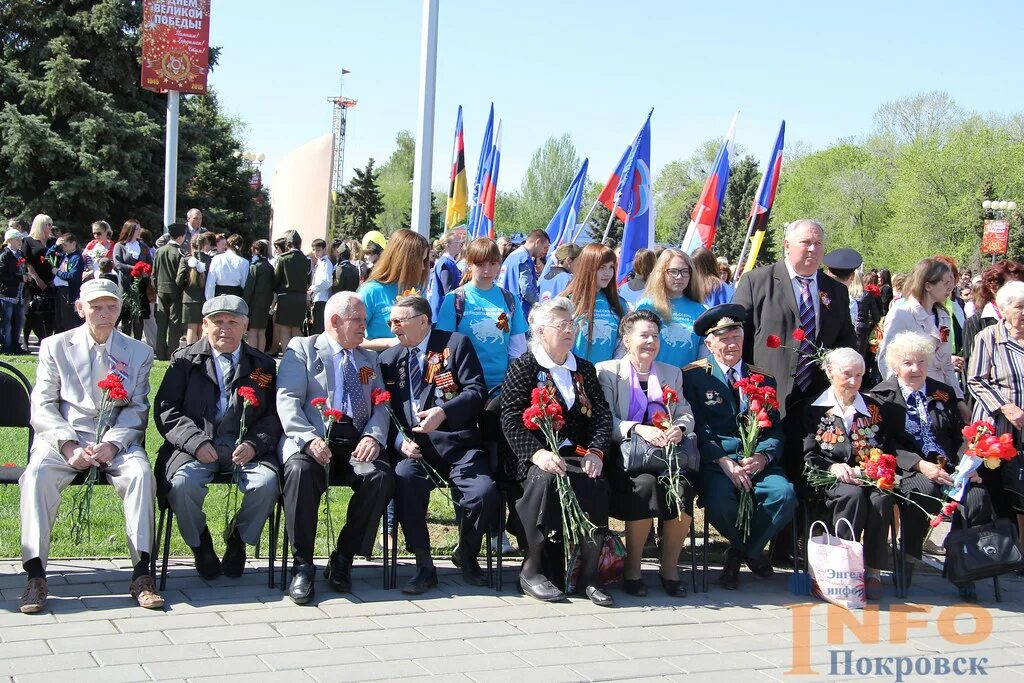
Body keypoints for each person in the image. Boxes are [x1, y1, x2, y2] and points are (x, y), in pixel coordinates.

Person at [18, 278, 162, 613]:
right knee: (36, 475)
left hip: (115, 437)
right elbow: (42, 405)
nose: (104, 313)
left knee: (141, 475)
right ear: (80, 308)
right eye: (96, 306)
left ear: (120, 308)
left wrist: (112, 444)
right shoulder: (55, 346)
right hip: (65, 436)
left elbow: (138, 407)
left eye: (111, 306)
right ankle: (35, 576)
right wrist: (67, 445)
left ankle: (142, 573)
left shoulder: (139, 351)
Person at [276, 291, 395, 605]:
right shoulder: (302, 350)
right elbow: (287, 401)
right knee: (300, 472)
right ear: (334, 321)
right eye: (357, 321)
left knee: (380, 477)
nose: (364, 329)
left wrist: (373, 437)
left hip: (355, 442)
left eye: (365, 321)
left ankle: (343, 557)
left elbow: (381, 404)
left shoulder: (368, 358)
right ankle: (302, 566)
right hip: (314, 439)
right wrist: (308, 439)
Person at [154, 295, 281, 580]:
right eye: (218, 321)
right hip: (195, 448)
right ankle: (201, 544)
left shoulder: (263, 365)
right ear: (204, 324)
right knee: (182, 484)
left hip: (246, 449)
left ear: (246, 325)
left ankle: (238, 539)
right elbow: (166, 409)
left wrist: (254, 443)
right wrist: (196, 443)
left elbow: (275, 416)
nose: (225, 328)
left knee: (267, 483)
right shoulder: (184, 360)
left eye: (233, 322)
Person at [378, 295, 499, 594]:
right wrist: (399, 440)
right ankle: (424, 565)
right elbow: (383, 410)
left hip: (458, 444)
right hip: (416, 449)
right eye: (390, 322)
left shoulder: (455, 344)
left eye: (398, 322)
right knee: (405, 480)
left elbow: (476, 392)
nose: (393, 328)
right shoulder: (390, 359)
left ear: (422, 321)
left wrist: (444, 412)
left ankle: (467, 553)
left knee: (484, 493)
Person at [500, 297, 614, 606]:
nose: (569, 330)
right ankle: (532, 568)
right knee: (544, 478)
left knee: (593, 481)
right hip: (531, 455)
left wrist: (596, 452)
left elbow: (602, 416)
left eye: (572, 324)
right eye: (561, 325)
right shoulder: (524, 366)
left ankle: (589, 574)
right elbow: (509, 418)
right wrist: (537, 453)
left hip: (575, 452)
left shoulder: (584, 369)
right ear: (539, 331)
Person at [869, 331, 993, 602]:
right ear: (895, 366)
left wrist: (968, 465)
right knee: (924, 490)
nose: (916, 369)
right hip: (911, 470)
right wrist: (919, 464)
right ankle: (909, 558)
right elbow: (883, 443)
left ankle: (962, 566)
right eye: (908, 363)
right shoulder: (881, 397)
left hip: (950, 468)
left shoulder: (943, 392)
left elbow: (963, 435)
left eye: (921, 362)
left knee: (976, 497)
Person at [732, 218, 858, 484]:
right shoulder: (757, 281)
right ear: (787, 245)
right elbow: (738, 336)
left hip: (818, 397)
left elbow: (846, 342)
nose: (812, 249)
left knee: (809, 472)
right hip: (768, 395)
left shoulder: (835, 290)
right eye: (806, 243)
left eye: (818, 244)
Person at [683, 304, 796, 590]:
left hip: (755, 461)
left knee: (784, 495)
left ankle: (742, 552)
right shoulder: (694, 377)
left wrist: (763, 455)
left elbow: (775, 429)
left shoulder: (762, 378)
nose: (732, 344)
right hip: (717, 462)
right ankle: (749, 553)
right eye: (724, 339)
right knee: (720, 501)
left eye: (737, 337)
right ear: (709, 342)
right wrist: (723, 460)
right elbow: (697, 428)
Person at [597, 310, 697, 597]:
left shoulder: (671, 373)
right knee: (644, 485)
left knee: (682, 486)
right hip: (625, 456)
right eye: (644, 335)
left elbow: (686, 412)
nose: (651, 341)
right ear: (627, 340)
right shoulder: (608, 371)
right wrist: (637, 429)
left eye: (655, 335)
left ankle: (669, 568)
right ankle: (633, 567)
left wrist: (678, 427)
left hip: (665, 454)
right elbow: (605, 420)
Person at [803, 347, 915, 600]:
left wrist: (873, 468)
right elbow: (808, 454)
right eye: (847, 375)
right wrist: (832, 466)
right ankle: (841, 568)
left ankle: (872, 570)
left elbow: (887, 448)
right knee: (852, 496)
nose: (854, 382)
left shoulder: (875, 407)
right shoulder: (813, 408)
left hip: (869, 475)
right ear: (830, 373)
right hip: (831, 477)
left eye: (860, 376)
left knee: (881, 498)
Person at [967, 280, 1024, 551]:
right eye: (1019, 306)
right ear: (1002, 309)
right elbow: (976, 380)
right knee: (1000, 487)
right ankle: (1006, 548)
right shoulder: (988, 337)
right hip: (999, 427)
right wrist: (1006, 407)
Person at [876, 257, 969, 420]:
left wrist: (959, 399)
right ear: (928, 285)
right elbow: (886, 359)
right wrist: (900, 396)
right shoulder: (902, 314)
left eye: (952, 282)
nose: (951, 287)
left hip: (942, 397)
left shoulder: (943, 316)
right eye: (945, 282)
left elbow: (946, 363)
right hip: (911, 396)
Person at [436, 237, 527, 394]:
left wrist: (513, 384)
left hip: (501, 388)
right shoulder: (455, 299)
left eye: (493, 264)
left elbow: (517, 350)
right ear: (469, 265)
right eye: (480, 264)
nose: (487, 271)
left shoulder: (510, 299)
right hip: (465, 388)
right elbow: (443, 349)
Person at [357, 228, 431, 351]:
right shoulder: (370, 291)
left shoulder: (418, 289)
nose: (423, 267)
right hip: (380, 366)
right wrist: (390, 343)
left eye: (425, 261)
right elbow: (351, 339)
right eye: (420, 261)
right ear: (405, 261)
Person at [636, 249, 707, 368]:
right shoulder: (647, 306)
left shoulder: (700, 311)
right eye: (673, 271)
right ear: (661, 272)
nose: (679, 276)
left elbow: (703, 357)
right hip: (651, 379)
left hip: (685, 382)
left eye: (685, 271)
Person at [562, 243, 624, 364]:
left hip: (606, 378)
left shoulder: (619, 304)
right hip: (574, 375)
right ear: (588, 267)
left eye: (611, 267)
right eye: (602, 267)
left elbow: (621, 346)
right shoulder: (567, 301)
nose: (608, 273)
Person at [962, 260, 1024, 365]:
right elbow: (972, 368)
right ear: (992, 288)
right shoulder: (976, 322)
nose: (1016, 290)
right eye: (1010, 286)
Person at [112, 219, 152, 339]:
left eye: (139, 229)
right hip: (126, 285)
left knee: (139, 316)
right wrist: (135, 268)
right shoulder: (120, 246)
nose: (139, 231)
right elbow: (118, 264)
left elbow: (150, 262)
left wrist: (145, 270)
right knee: (127, 316)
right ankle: (125, 343)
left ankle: (138, 343)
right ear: (129, 230)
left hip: (140, 285)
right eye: (136, 229)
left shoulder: (143, 246)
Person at [498, 229, 550, 321]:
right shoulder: (523, 259)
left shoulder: (512, 256)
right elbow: (526, 288)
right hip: (518, 312)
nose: (545, 252)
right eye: (545, 247)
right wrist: (538, 304)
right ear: (537, 242)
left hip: (504, 308)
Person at [152, 223, 186, 361]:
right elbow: (181, 276)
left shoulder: (159, 250)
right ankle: (171, 352)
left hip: (160, 290)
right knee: (174, 323)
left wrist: (156, 288)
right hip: (175, 291)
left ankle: (160, 352)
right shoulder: (180, 252)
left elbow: (154, 273)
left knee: (161, 324)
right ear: (181, 236)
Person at [273, 230, 311, 355]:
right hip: (300, 297)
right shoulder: (307, 260)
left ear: (288, 245)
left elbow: (276, 279)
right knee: (296, 329)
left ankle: (286, 357)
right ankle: (297, 356)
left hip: (285, 298)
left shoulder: (283, 259)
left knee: (284, 330)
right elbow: (308, 280)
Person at [22, 214, 56, 348]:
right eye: (48, 224)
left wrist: (55, 277)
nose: (50, 227)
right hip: (35, 281)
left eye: (51, 224)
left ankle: (47, 340)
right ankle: (25, 340)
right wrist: (36, 278)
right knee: (31, 311)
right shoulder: (28, 241)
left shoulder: (52, 241)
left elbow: (58, 260)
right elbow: (26, 261)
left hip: (50, 280)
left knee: (49, 312)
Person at [177, 233, 213, 346]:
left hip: (189, 299)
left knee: (191, 328)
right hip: (205, 298)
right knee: (203, 327)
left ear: (191, 244)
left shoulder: (185, 259)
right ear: (205, 244)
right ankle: (201, 352)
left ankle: (190, 352)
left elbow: (178, 281)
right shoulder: (210, 260)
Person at [45, 231, 83, 334]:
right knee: (59, 320)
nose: (63, 248)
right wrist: (55, 245)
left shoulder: (76, 258)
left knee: (67, 320)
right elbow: (48, 256)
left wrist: (58, 273)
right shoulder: (64, 255)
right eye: (62, 246)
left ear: (73, 243)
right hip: (59, 289)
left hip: (68, 291)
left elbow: (73, 276)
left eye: (65, 245)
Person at [0, 228, 29, 353]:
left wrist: (27, 276)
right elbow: (2, 275)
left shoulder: (21, 254)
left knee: (18, 321)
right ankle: (6, 347)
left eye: (20, 240)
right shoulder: (4, 255)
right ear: (9, 241)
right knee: (7, 322)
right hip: (7, 294)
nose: (20, 242)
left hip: (19, 294)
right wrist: (19, 277)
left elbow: (22, 270)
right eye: (17, 240)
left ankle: (16, 346)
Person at [243, 240, 275, 354]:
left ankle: (252, 356)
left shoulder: (255, 267)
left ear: (256, 250)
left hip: (254, 303)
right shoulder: (270, 267)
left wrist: (244, 302)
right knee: (262, 331)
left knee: (253, 331)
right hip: (266, 302)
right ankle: (261, 356)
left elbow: (249, 288)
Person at [427, 229, 464, 318]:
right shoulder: (445, 263)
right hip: (442, 313)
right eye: (457, 242)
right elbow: (449, 291)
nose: (460, 245)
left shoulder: (448, 262)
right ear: (448, 246)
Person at [205, 234, 249, 300]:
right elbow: (244, 284)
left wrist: (209, 299)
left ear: (227, 244)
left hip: (219, 295)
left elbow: (211, 282)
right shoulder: (244, 262)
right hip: (236, 295)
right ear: (240, 247)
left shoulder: (217, 258)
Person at [308, 238, 334, 335]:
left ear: (324, 249)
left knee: (319, 328)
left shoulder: (326, 263)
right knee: (315, 326)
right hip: (317, 298)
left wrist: (313, 289)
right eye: (314, 250)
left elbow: (327, 282)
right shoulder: (319, 263)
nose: (316, 252)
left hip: (322, 299)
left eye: (318, 250)